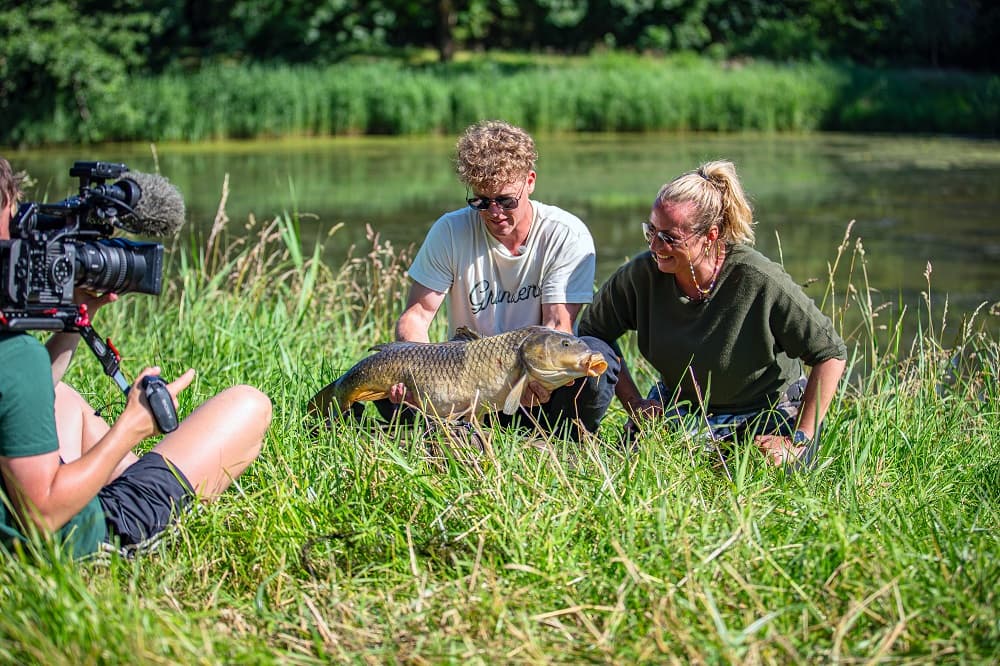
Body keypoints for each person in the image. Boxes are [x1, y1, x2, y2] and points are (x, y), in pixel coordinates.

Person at [0, 156, 272, 558]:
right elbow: (42, 516)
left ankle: (134, 471)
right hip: (90, 535)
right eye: (15, 225)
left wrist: (74, 322)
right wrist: (131, 426)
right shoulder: (15, 354)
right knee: (248, 405)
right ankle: (147, 492)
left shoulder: (16, 359)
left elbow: (17, 397)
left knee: (66, 400)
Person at [577, 160, 847, 468]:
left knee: (765, 472)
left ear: (710, 235)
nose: (654, 245)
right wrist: (636, 403)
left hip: (766, 409)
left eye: (669, 237)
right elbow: (592, 334)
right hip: (683, 406)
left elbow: (830, 354)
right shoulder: (641, 275)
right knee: (642, 466)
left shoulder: (757, 278)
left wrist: (800, 438)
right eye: (650, 231)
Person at [380, 119, 619, 439]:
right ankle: (457, 428)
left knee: (596, 359)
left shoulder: (565, 234)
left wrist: (530, 384)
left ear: (530, 181)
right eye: (481, 201)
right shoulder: (450, 231)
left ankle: (563, 440)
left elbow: (557, 325)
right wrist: (417, 373)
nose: (494, 212)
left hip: (536, 382)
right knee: (389, 385)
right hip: (466, 381)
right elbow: (416, 317)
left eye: (506, 201)